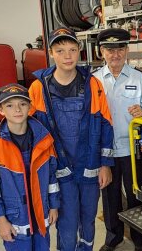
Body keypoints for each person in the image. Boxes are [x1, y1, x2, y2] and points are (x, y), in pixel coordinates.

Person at [28, 27, 114, 251]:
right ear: (51, 53)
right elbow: (29, 129)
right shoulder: (38, 88)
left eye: (73, 50)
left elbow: (106, 124)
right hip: (59, 170)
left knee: (88, 219)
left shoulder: (92, 85)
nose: (67, 56)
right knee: (66, 223)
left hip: (89, 167)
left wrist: (105, 164)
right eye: (60, 50)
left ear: (80, 51)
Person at [93, 28, 142, 251]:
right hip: (106, 153)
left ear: (127, 50)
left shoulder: (138, 78)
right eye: (110, 49)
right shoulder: (93, 81)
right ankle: (113, 239)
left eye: (120, 48)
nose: (115, 54)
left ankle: (141, 242)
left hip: (132, 150)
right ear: (101, 52)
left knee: (136, 197)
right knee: (110, 198)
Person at [0, 83, 60, 251]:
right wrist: (1, 221)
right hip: (13, 220)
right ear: (1, 110)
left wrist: (53, 206)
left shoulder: (44, 139)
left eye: (22, 104)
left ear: (30, 107)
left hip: (40, 215)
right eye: (10, 105)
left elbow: (52, 177)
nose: (17, 109)